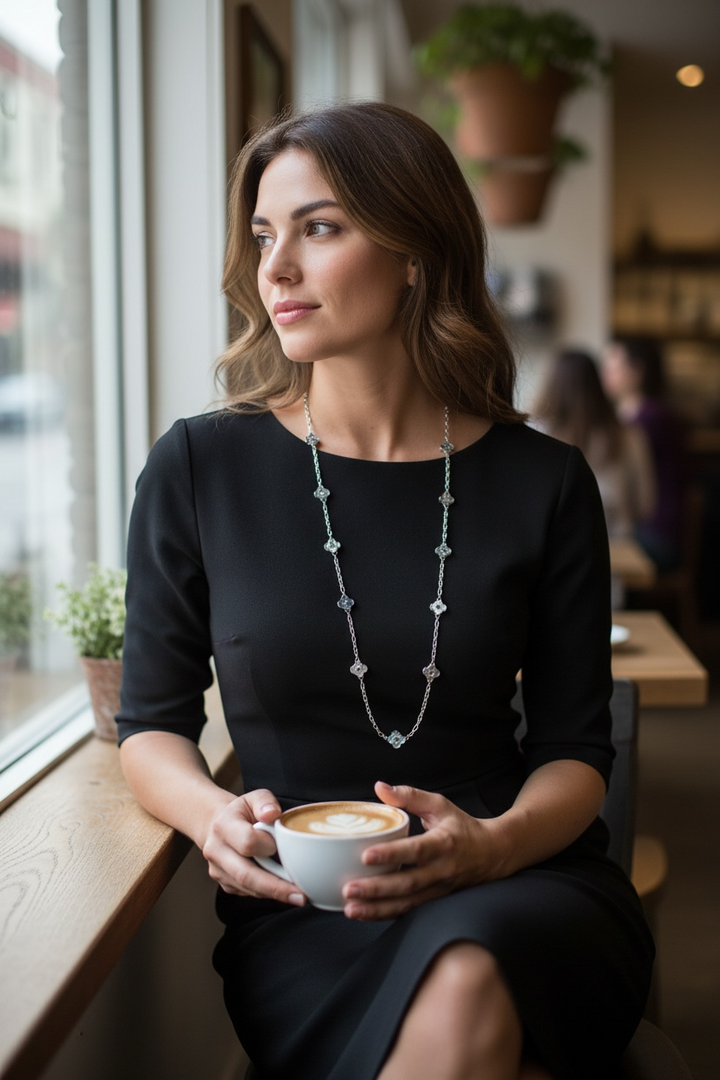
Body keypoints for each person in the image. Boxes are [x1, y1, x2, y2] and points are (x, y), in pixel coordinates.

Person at [117, 103, 654, 1080]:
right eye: (263, 236)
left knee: (468, 978)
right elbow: (149, 725)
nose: (274, 267)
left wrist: (489, 849)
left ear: (417, 253)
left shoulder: (547, 480)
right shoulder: (199, 465)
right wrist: (210, 817)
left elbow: (579, 752)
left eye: (318, 229)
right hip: (306, 910)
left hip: (521, 874)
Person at [533, 349, 657, 541]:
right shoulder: (630, 436)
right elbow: (645, 504)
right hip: (614, 549)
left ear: (551, 386)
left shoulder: (536, 434)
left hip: (550, 550)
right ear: (598, 385)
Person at [602, 336, 687, 570]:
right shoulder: (634, 417)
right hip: (648, 524)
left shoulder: (650, 419)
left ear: (637, 371)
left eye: (612, 366)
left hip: (657, 532)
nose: (605, 373)